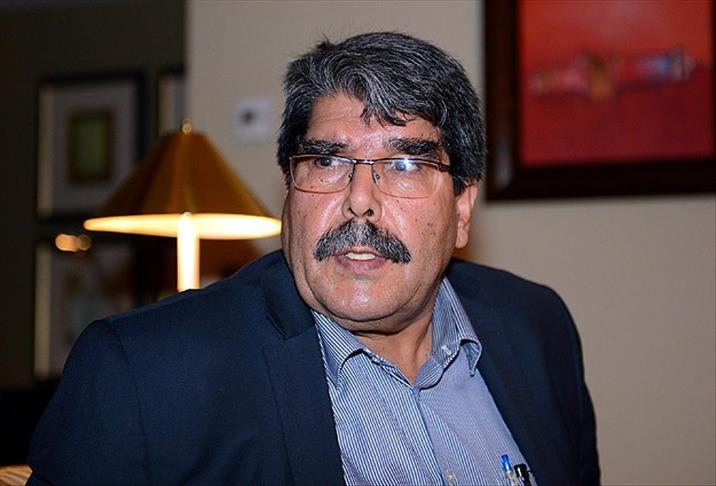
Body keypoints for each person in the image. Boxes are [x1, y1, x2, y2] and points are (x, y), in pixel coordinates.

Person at [28, 32, 599, 485]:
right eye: (326, 162)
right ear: (288, 188)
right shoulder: (143, 375)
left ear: (462, 207)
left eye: (404, 165)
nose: (359, 199)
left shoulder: (538, 328)